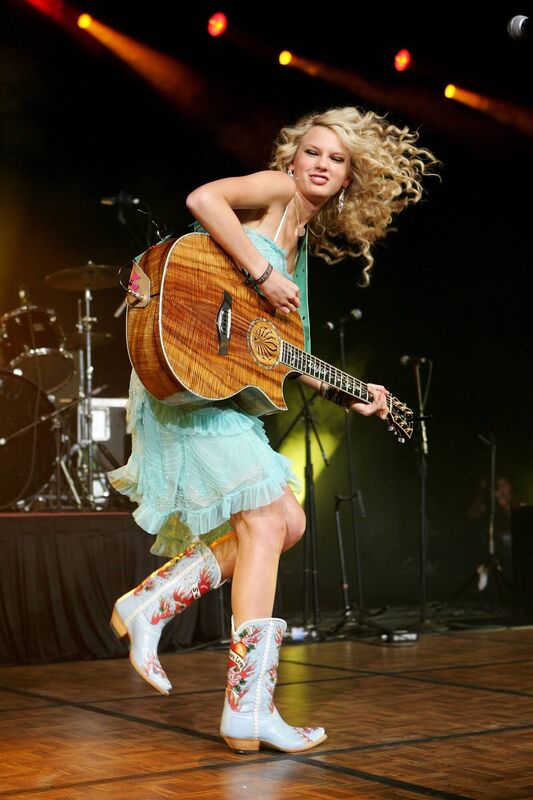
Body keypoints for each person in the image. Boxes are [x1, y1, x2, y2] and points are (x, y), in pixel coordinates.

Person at [108, 106, 438, 754]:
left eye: (335, 159)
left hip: (222, 389)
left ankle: (149, 606)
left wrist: (353, 393)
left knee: (288, 523)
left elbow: (289, 355)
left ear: (349, 179)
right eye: (310, 151)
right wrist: (261, 273)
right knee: (265, 522)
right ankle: (247, 707)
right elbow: (204, 199)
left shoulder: (303, 250)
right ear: (292, 158)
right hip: (186, 370)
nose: (319, 163)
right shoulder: (276, 190)